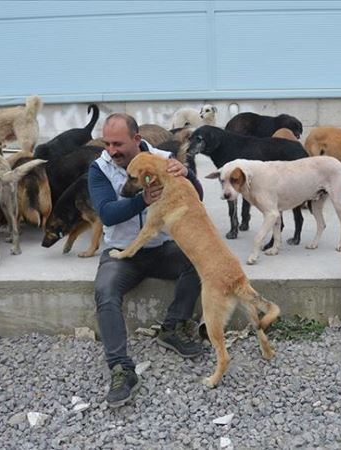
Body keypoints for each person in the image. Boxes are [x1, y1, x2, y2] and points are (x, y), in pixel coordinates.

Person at [89, 113, 204, 407]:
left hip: (162, 247)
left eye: (118, 144)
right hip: (122, 255)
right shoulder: (99, 168)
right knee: (105, 291)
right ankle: (120, 368)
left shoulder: (163, 159)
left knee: (199, 259)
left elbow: (198, 196)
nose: (111, 150)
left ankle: (172, 328)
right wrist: (143, 199)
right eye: (107, 143)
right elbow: (107, 213)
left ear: (137, 140)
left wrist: (186, 174)